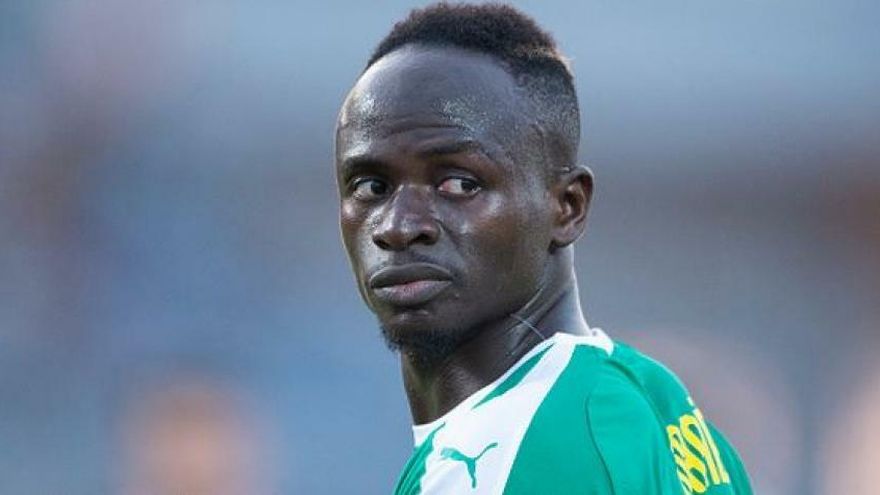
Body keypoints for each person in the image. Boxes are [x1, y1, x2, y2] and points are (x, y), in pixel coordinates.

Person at [334, 3, 753, 494]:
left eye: (459, 184)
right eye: (371, 186)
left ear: (567, 207)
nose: (399, 226)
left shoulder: (503, 453)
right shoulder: (665, 414)